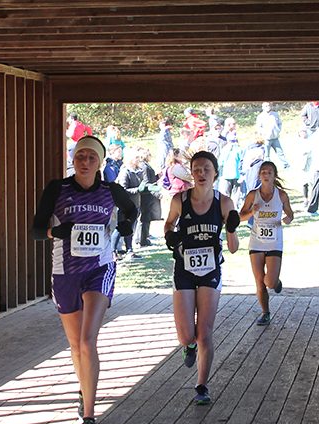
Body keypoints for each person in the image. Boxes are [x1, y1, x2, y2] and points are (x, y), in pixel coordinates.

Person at [30, 136, 136, 424]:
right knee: (76, 346)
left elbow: (132, 210)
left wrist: (126, 226)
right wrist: (54, 231)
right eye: (80, 156)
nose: (85, 161)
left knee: (88, 340)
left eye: (91, 157)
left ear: (100, 162)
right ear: (73, 159)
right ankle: (83, 388)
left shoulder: (110, 190)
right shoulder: (57, 189)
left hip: (98, 269)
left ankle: (88, 418)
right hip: (65, 274)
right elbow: (36, 229)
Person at [163, 150, 240, 405]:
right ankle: (189, 346)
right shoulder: (179, 200)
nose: (201, 173)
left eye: (207, 169)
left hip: (210, 270)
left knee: (205, 332)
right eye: (197, 169)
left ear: (215, 173)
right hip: (184, 270)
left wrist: (231, 228)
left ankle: (201, 385)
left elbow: (233, 247)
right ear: (191, 173)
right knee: (187, 335)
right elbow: (169, 224)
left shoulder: (224, 202)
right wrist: (170, 237)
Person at [239, 160, 294, 326]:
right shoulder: (252, 195)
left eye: (269, 172)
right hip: (256, 242)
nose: (266, 174)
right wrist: (252, 211)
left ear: (274, 175)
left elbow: (290, 214)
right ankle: (265, 312)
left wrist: (287, 219)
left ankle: (276, 282)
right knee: (259, 281)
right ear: (259, 175)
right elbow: (240, 217)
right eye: (263, 172)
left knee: (269, 281)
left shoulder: (281, 195)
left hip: (274, 243)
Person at [115, 148, 145, 258]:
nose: (139, 159)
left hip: (135, 205)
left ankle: (129, 249)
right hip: (125, 206)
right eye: (136, 157)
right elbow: (123, 190)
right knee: (121, 229)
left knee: (131, 229)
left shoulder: (138, 171)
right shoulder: (125, 171)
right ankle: (114, 251)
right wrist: (138, 189)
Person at [255, 102, 290, 168]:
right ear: (263, 107)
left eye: (269, 105)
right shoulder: (260, 116)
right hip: (266, 139)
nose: (268, 107)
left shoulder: (275, 114)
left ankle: (286, 165)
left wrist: (278, 130)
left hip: (275, 137)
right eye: (266, 106)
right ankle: (267, 166)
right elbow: (259, 127)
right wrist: (263, 134)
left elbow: (280, 123)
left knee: (280, 152)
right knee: (266, 154)